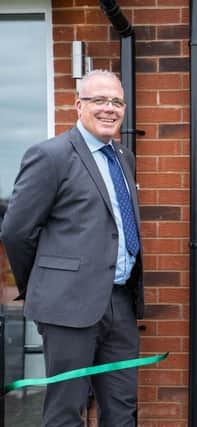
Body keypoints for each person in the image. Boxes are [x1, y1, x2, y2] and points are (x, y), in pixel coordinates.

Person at [1, 70, 144, 426]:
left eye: (117, 101)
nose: (109, 109)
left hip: (120, 304)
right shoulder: (51, 156)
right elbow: (17, 232)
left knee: (122, 408)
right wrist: (44, 281)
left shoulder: (122, 156)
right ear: (79, 105)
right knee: (66, 410)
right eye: (99, 100)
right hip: (67, 306)